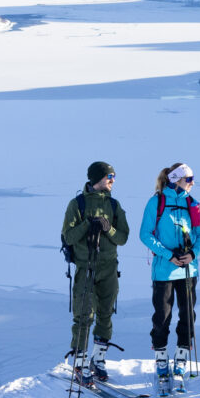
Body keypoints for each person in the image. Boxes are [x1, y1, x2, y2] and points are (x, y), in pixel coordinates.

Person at [139, 162, 200, 390]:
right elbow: (145, 234)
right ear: (176, 179)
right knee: (162, 315)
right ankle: (160, 358)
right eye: (189, 179)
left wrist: (193, 253)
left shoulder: (192, 204)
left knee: (188, 314)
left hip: (188, 269)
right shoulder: (156, 202)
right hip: (164, 270)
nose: (192, 183)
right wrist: (168, 255)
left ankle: (180, 357)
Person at [62, 161, 129, 386]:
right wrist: (87, 226)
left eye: (113, 176)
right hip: (86, 267)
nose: (112, 180)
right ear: (96, 178)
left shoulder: (114, 204)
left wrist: (107, 227)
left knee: (105, 313)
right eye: (109, 176)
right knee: (83, 316)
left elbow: (123, 238)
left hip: (109, 267)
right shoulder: (77, 204)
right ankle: (80, 365)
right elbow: (68, 237)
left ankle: (98, 360)